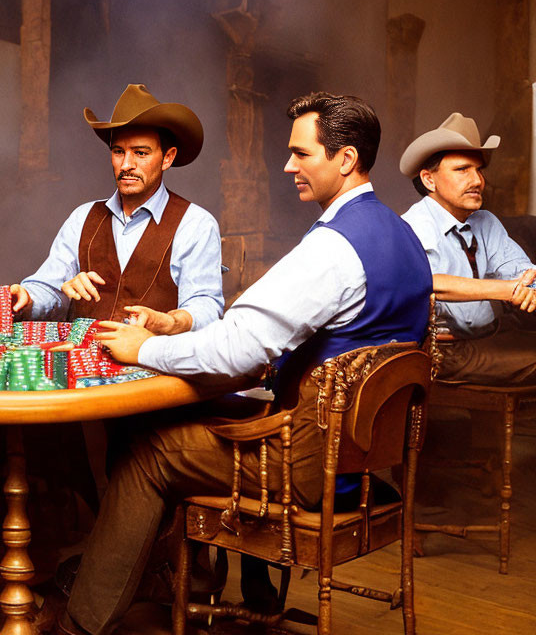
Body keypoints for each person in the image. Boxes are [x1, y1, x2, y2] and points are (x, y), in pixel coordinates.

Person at [51, 92, 433, 635]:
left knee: (146, 450)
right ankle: (192, 580)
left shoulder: (334, 248)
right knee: (209, 412)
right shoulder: (405, 236)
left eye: (301, 154)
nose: (288, 165)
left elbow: (234, 347)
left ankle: (79, 627)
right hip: (364, 465)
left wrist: (143, 349)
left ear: (344, 160)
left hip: (311, 464)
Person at [11, 83, 224, 334]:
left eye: (141, 153)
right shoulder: (82, 218)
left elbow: (206, 306)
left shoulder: (195, 224)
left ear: (168, 157)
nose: (127, 164)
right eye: (118, 151)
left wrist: (168, 321)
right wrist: (25, 297)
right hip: (83, 368)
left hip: (154, 366)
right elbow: (46, 288)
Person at [400, 112, 536, 384]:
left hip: (491, 337)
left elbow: (523, 272)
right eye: (462, 170)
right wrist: (508, 291)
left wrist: (530, 288)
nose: (477, 181)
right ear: (429, 179)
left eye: (479, 170)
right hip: (441, 351)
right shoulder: (414, 225)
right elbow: (430, 284)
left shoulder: (486, 222)